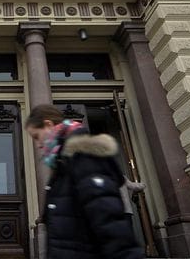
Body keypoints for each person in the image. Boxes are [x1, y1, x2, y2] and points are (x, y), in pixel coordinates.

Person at [24, 104, 142, 259]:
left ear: (48, 124)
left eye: (36, 136)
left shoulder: (83, 156)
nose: (38, 144)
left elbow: (109, 222)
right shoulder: (63, 161)